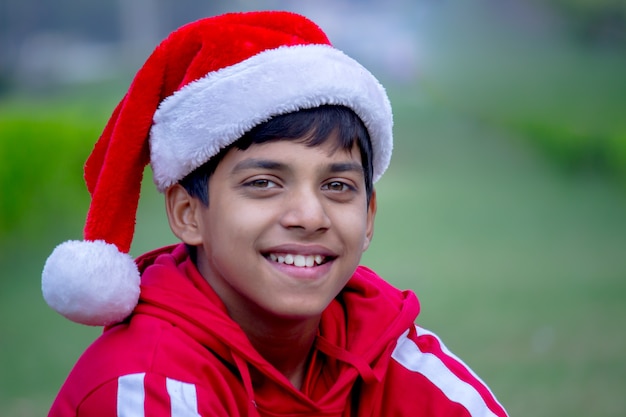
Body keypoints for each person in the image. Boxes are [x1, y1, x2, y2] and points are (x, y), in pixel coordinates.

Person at [42, 10, 508, 417]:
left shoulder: (391, 351)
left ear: (368, 216)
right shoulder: (145, 387)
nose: (309, 215)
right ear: (188, 213)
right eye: (263, 183)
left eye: (337, 186)